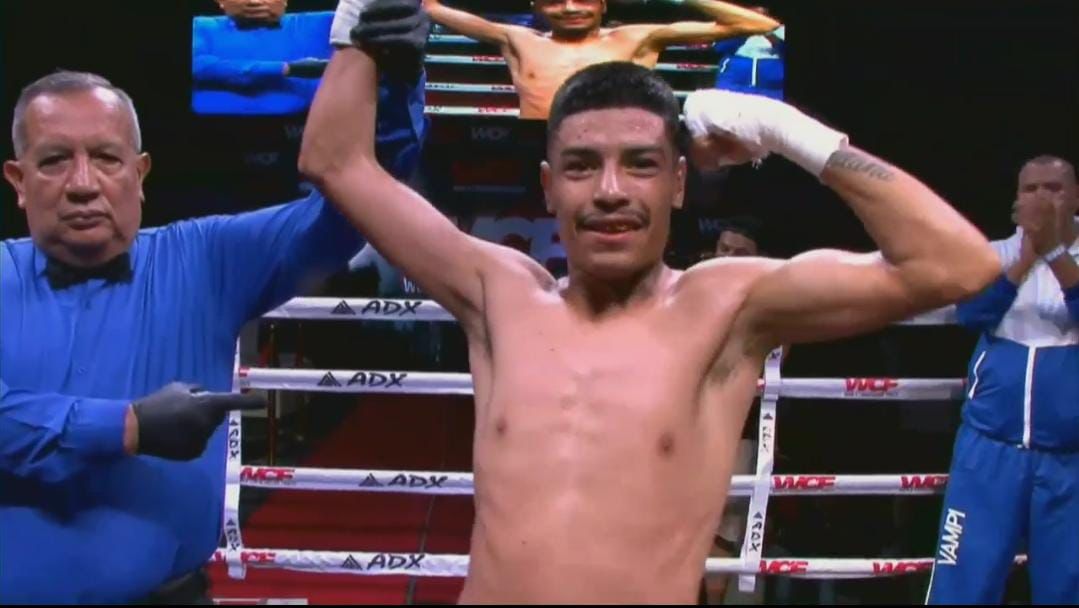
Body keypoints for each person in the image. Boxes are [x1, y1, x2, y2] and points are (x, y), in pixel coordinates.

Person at [302, 1, 999, 601]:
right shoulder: (499, 294)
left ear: (678, 184)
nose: (610, 191)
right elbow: (335, 164)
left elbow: (957, 265)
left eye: (640, 164)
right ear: (549, 187)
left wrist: (790, 133)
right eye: (582, 166)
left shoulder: (726, 307)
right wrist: (357, 31)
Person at [0, 38, 425, 603]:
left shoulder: (206, 258)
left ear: (140, 173)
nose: (83, 184)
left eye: (106, 158)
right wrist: (126, 425)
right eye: (55, 160)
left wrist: (392, 91)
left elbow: (353, 206)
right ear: (18, 180)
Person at [926, 156, 1079, 604]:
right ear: (1016, 201)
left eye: (1053, 188)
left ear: (1075, 197)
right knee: (963, 585)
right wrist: (1027, 259)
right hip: (990, 449)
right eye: (1031, 189)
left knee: (1067, 589)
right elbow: (971, 314)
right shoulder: (992, 256)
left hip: (1070, 456)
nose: (1041, 197)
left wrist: (1054, 253)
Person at [421, 0, 781, 119]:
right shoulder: (516, 39)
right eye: (555, 1)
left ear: (604, 4)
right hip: (532, 152)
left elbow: (759, 24)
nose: (570, 8)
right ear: (536, 5)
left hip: (620, 148)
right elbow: (430, 7)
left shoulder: (638, 37)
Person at [193, 0, 336, 115]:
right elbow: (198, 65)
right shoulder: (201, 26)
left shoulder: (324, 23)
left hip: (303, 130)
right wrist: (286, 68)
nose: (254, 2)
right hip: (215, 130)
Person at [712, 5, 785, 100]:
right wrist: (747, 29)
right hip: (733, 85)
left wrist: (768, 31)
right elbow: (720, 48)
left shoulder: (779, 27)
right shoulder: (731, 25)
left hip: (773, 89)